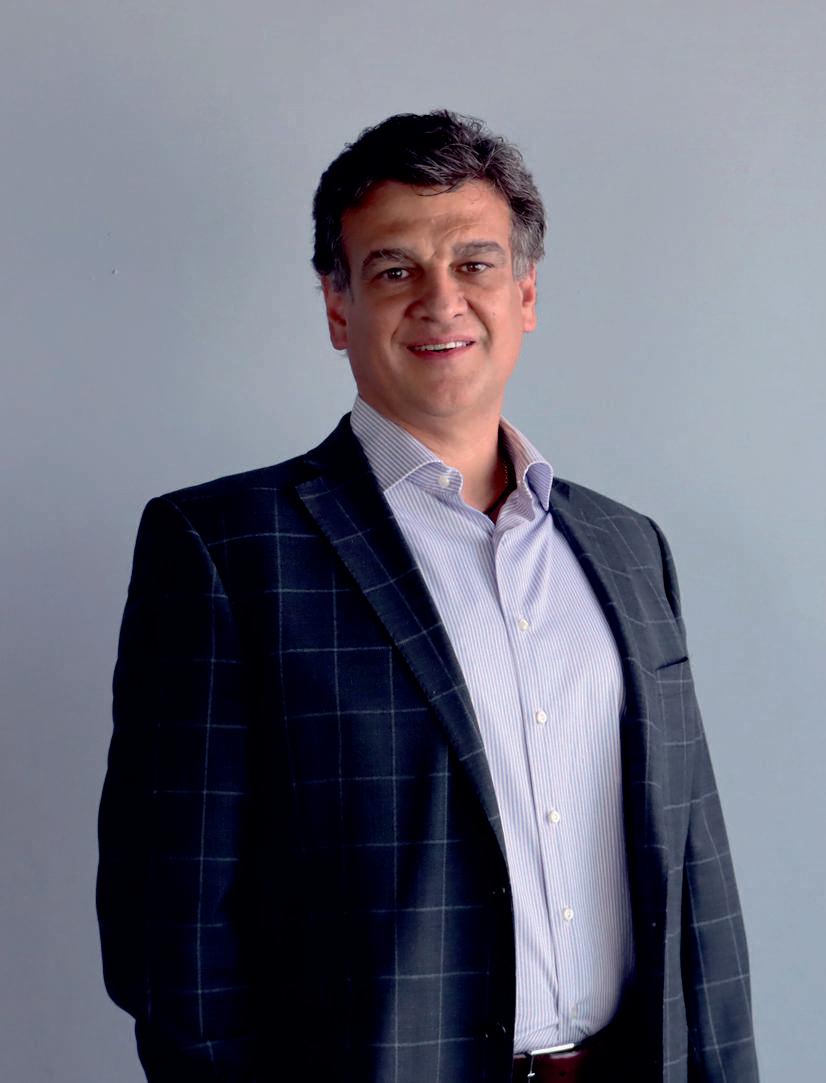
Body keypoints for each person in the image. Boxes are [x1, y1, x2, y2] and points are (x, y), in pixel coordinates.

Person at [97, 111, 759, 1083]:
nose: (440, 300)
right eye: (395, 269)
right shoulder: (225, 550)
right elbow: (172, 933)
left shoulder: (627, 548)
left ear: (524, 294)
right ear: (338, 307)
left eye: (474, 264)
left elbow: (697, 876)